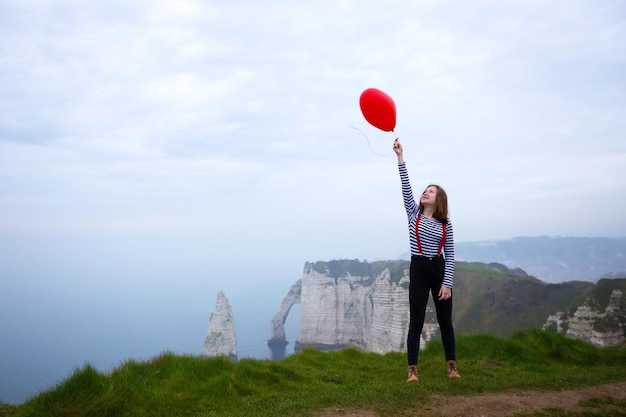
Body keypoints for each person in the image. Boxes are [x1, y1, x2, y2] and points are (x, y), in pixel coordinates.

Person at [393, 138, 460, 382]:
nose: (425, 193)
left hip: (439, 269)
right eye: (425, 191)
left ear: (438, 199)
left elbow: (450, 255)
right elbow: (406, 186)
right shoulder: (413, 214)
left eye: (430, 192)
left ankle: (451, 367)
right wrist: (400, 157)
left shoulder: (446, 225)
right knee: (416, 321)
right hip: (419, 268)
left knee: (446, 322)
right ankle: (412, 370)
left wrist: (447, 283)